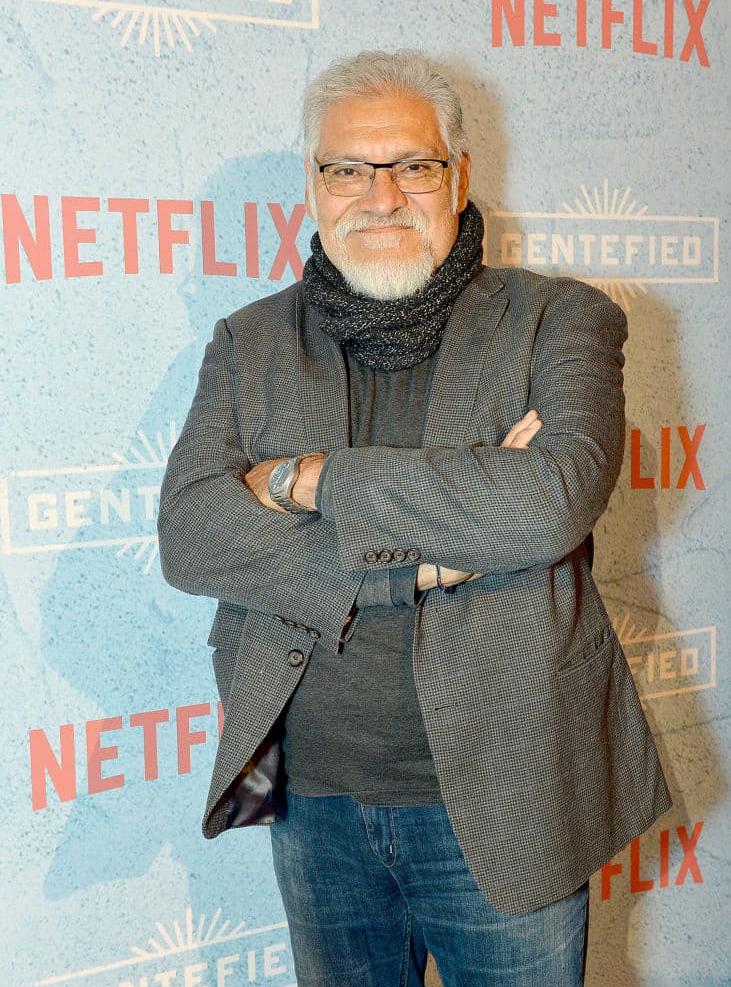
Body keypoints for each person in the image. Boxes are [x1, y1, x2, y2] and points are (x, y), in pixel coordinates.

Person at [158, 49, 671, 987]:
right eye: (347, 169)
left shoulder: (560, 319)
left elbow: (547, 502)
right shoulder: (250, 340)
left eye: (413, 166)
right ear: (313, 186)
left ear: (458, 177)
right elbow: (191, 535)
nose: (381, 196)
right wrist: (421, 559)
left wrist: (304, 479)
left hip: (509, 794)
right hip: (311, 796)